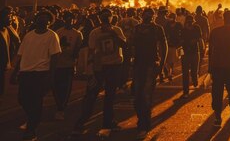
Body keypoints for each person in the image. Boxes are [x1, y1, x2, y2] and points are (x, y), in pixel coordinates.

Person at [73, 9, 126, 138]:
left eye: (108, 17)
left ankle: (107, 123)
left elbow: (125, 45)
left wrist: (113, 33)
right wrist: (91, 71)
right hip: (99, 68)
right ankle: (81, 122)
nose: (106, 19)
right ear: (100, 19)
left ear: (112, 18)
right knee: (91, 95)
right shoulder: (94, 33)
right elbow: (91, 52)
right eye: (104, 17)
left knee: (110, 96)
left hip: (114, 66)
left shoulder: (117, 30)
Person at [10, 10, 61, 141]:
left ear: (49, 22)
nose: (42, 20)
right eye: (40, 18)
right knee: (22, 99)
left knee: (36, 101)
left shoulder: (52, 36)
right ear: (36, 20)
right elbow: (21, 55)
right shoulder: (29, 35)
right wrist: (15, 72)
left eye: (45, 19)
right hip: (25, 73)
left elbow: (55, 57)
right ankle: (33, 120)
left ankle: (31, 129)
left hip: (41, 73)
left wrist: (51, 76)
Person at [131, 8, 168, 140]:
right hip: (138, 65)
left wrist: (162, 64)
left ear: (153, 16)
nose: (148, 16)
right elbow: (131, 45)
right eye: (146, 14)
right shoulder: (136, 29)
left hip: (151, 65)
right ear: (142, 16)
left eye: (150, 14)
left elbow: (164, 46)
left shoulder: (157, 29)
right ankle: (141, 120)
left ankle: (144, 125)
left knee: (146, 96)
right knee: (136, 96)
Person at [53, 11, 83, 120]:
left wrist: (74, 58)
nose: (69, 21)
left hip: (69, 65)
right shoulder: (58, 32)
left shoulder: (77, 34)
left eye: (71, 19)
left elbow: (78, 49)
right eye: (67, 19)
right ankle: (58, 105)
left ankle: (61, 108)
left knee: (66, 88)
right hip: (57, 64)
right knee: (56, 87)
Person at [181, 14, 204, 98]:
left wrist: (202, 49)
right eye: (188, 22)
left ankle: (195, 79)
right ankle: (185, 91)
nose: (190, 23)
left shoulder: (197, 28)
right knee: (185, 73)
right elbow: (181, 40)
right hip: (186, 53)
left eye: (191, 22)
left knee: (194, 71)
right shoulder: (183, 30)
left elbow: (200, 39)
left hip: (195, 52)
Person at [0, 7, 20, 98]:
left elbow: (17, 40)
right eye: (8, 15)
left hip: (4, 65)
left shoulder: (6, 29)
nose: (11, 18)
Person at [163, 13, 182, 82]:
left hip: (175, 45)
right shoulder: (167, 25)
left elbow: (182, 33)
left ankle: (169, 72)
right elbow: (164, 34)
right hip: (168, 44)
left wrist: (180, 42)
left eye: (172, 17)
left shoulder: (178, 25)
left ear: (175, 18)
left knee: (172, 61)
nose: (171, 19)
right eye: (170, 17)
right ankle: (169, 72)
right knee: (167, 60)